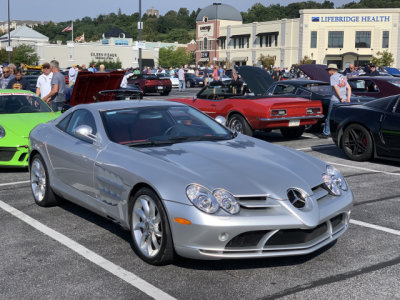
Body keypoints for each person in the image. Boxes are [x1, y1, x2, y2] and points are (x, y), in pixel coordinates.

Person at [321, 64, 351, 138]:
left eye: (328, 70)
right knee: (341, 117)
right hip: (344, 100)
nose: (328, 72)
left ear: (331, 70)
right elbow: (349, 88)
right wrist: (348, 99)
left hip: (335, 99)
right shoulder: (343, 76)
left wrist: (340, 98)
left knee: (330, 116)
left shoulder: (333, 77)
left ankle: (326, 132)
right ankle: (341, 132)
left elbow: (335, 88)